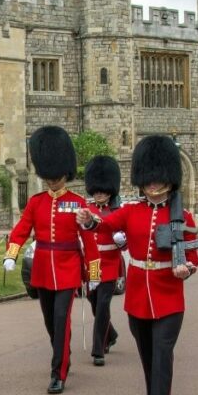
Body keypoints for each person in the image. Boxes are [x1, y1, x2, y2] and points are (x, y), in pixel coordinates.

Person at [76, 135, 198, 395]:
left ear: (169, 179)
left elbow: (193, 255)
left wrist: (187, 269)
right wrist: (89, 220)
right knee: (147, 354)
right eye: (149, 179)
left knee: (162, 352)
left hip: (169, 298)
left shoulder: (182, 216)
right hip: (137, 297)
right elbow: (105, 224)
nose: (154, 185)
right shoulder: (132, 211)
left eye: (159, 179)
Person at [3, 126, 100, 394]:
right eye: (49, 177)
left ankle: (58, 372)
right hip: (43, 268)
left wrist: (93, 274)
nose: (52, 181)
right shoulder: (36, 202)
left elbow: (90, 241)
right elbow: (21, 229)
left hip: (68, 268)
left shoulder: (78, 202)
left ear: (65, 174)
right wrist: (11, 254)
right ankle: (62, 349)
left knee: (61, 318)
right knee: (50, 321)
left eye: (56, 177)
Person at [84, 155, 127, 367]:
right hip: (91, 265)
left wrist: (121, 241)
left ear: (110, 191)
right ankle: (111, 334)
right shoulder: (87, 210)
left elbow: (126, 245)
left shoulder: (118, 212)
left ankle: (98, 350)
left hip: (110, 263)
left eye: (103, 191)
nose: (99, 194)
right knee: (94, 305)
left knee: (102, 306)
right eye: (96, 191)